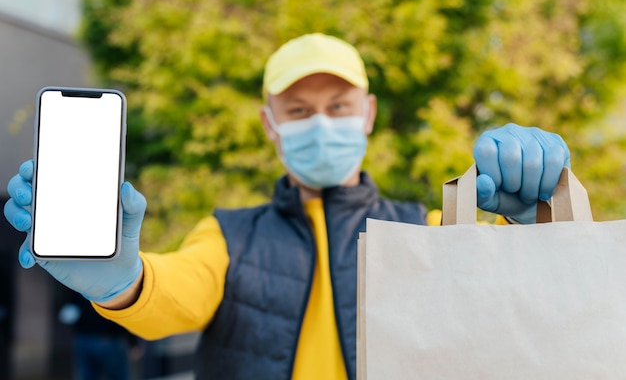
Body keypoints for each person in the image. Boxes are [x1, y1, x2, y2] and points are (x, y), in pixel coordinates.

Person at [4, 33, 570, 380]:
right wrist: (121, 282)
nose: (320, 122)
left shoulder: (420, 229)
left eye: (338, 104)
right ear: (269, 124)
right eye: (297, 110)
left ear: (367, 113)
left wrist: (529, 225)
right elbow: (173, 291)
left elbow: (501, 301)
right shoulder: (227, 236)